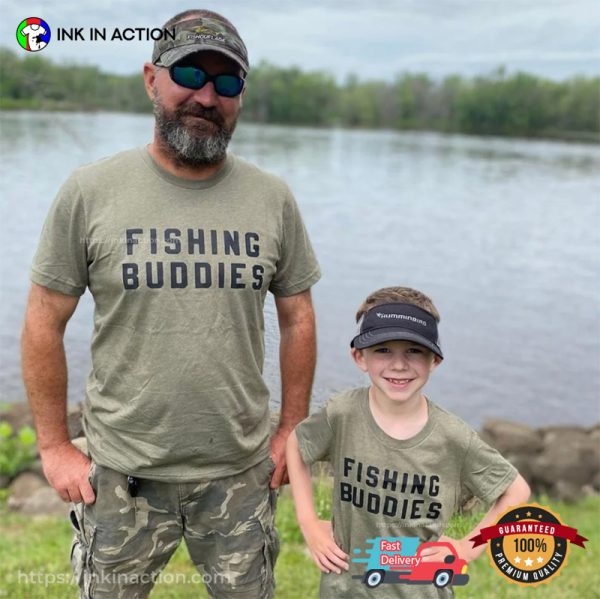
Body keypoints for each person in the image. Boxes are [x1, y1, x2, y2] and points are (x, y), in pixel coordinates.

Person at [21, 9, 320, 598]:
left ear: (240, 97)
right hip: (121, 475)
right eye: (190, 73)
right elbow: (42, 321)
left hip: (238, 473)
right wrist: (55, 447)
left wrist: (291, 427)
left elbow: (298, 317)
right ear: (151, 78)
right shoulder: (89, 192)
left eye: (227, 83)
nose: (207, 96)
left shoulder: (273, 198)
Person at [286, 286, 530, 598]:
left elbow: (516, 490)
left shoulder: (452, 436)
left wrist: (466, 549)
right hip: (344, 589)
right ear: (359, 357)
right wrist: (308, 522)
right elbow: (297, 443)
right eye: (383, 350)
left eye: (414, 351)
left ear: (435, 360)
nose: (399, 365)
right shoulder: (342, 414)